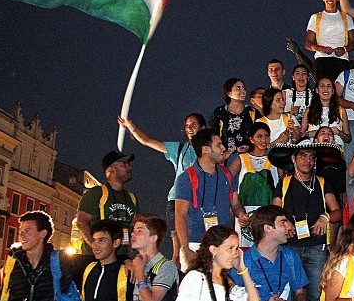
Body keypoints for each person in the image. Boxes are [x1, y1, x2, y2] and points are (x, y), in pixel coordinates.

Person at [272, 141, 343, 301]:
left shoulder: (322, 183)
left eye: (311, 157)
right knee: (286, 294)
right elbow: (273, 212)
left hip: (315, 247)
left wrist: (325, 217)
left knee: (316, 296)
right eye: (303, 156)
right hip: (289, 248)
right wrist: (283, 223)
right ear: (293, 159)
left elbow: (337, 212)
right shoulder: (283, 184)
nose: (308, 160)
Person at [117, 112, 204, 261]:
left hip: (200, 202)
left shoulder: (208, 150)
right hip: (177, 200)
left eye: (194, 125)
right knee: (178, 249)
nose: (190, 128)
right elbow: (147, 141)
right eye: (187, 126)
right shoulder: (179, 149)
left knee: (201, 243)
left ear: (202, 128)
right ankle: (177, 280)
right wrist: (132, 127)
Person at [174, 128, 250, 271]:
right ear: (206, 149)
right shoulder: (186, 178)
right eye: (219, 144)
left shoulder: (226, 174)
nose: (223, 148)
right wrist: (185, 249)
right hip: (197, 244)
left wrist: (241, 215)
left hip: (224, 245)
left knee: (223, 290)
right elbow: (180, 216)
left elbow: (235, 203)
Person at [76, 150, 138, 260]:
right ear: (111, 170)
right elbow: (82, 222)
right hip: (94, 258)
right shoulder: (96, 193)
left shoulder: (132, 198)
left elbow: (136, 227)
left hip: (121, 257)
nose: (129, 167)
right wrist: (96, 247)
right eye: (124, 164)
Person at [229, 122, 277, 246]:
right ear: (251, 139)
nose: (263, 140)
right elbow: (226, 180)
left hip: (268, 212)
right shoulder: (241, 159)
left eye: (266, 136)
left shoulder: (275, 159)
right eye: (259, 136)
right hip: (244, 214)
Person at [305, 0, 354, 81]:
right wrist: (321, 48)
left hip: (342, 60)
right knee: (323, 90)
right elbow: (308, 43)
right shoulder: (315, 17)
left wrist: (344, 49)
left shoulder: (347, 18)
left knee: (340, 92)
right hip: (322, 60)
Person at [209, 77, 260, 154]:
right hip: (227, 158)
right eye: (238, 88)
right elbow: (213, 135)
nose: (242, 91)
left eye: (243, 88)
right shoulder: (219, 113)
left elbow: (260, 134)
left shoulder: (252, 112)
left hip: (249, 156)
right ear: (229, 93)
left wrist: (250, 147)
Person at [302, 76, 351, 148]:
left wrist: (340, 133)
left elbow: (348, 138)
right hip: (314, 151)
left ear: (333, 91)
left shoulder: (341, 110)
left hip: (335, 151)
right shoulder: (309, 110)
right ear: (317, 90)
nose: (326, 89)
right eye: (322, 86)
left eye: (329, 86)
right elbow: (301, 134)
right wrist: (308, 134)